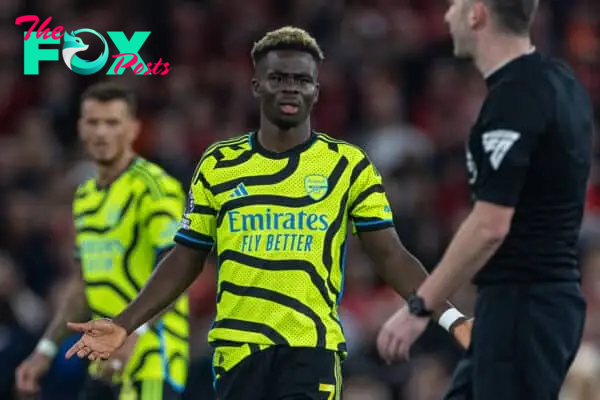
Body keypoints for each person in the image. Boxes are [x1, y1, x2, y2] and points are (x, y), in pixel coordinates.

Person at [63, 27, 472, 400]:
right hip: (236, 354)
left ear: (316, 88)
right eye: (279, 78)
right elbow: (186, 258)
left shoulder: (347, 165)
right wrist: (124, 322)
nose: (290, 88)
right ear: (257, 85)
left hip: (309, 352)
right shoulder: (220, 164)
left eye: (302, 80)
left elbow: (391, 255)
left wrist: (451, 317)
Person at [377, 0, 595, 399]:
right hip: (537, 305)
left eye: (455, 5)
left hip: (524, 305)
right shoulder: (563, 83)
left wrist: (420, 309)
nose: (446, 15)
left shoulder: (514, 98)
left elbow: (491, 225)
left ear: (477, 13)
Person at [15, 82, 190, 400]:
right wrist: (45, 349)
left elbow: (179, 273)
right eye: (93, 122)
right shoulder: (85, 197)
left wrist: (132, 336)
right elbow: (83, 284)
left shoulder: (155, 189)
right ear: (81, 128)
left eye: (112, 122)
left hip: (151, 362)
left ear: (133, 128)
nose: (102, 133)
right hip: (104, 361)